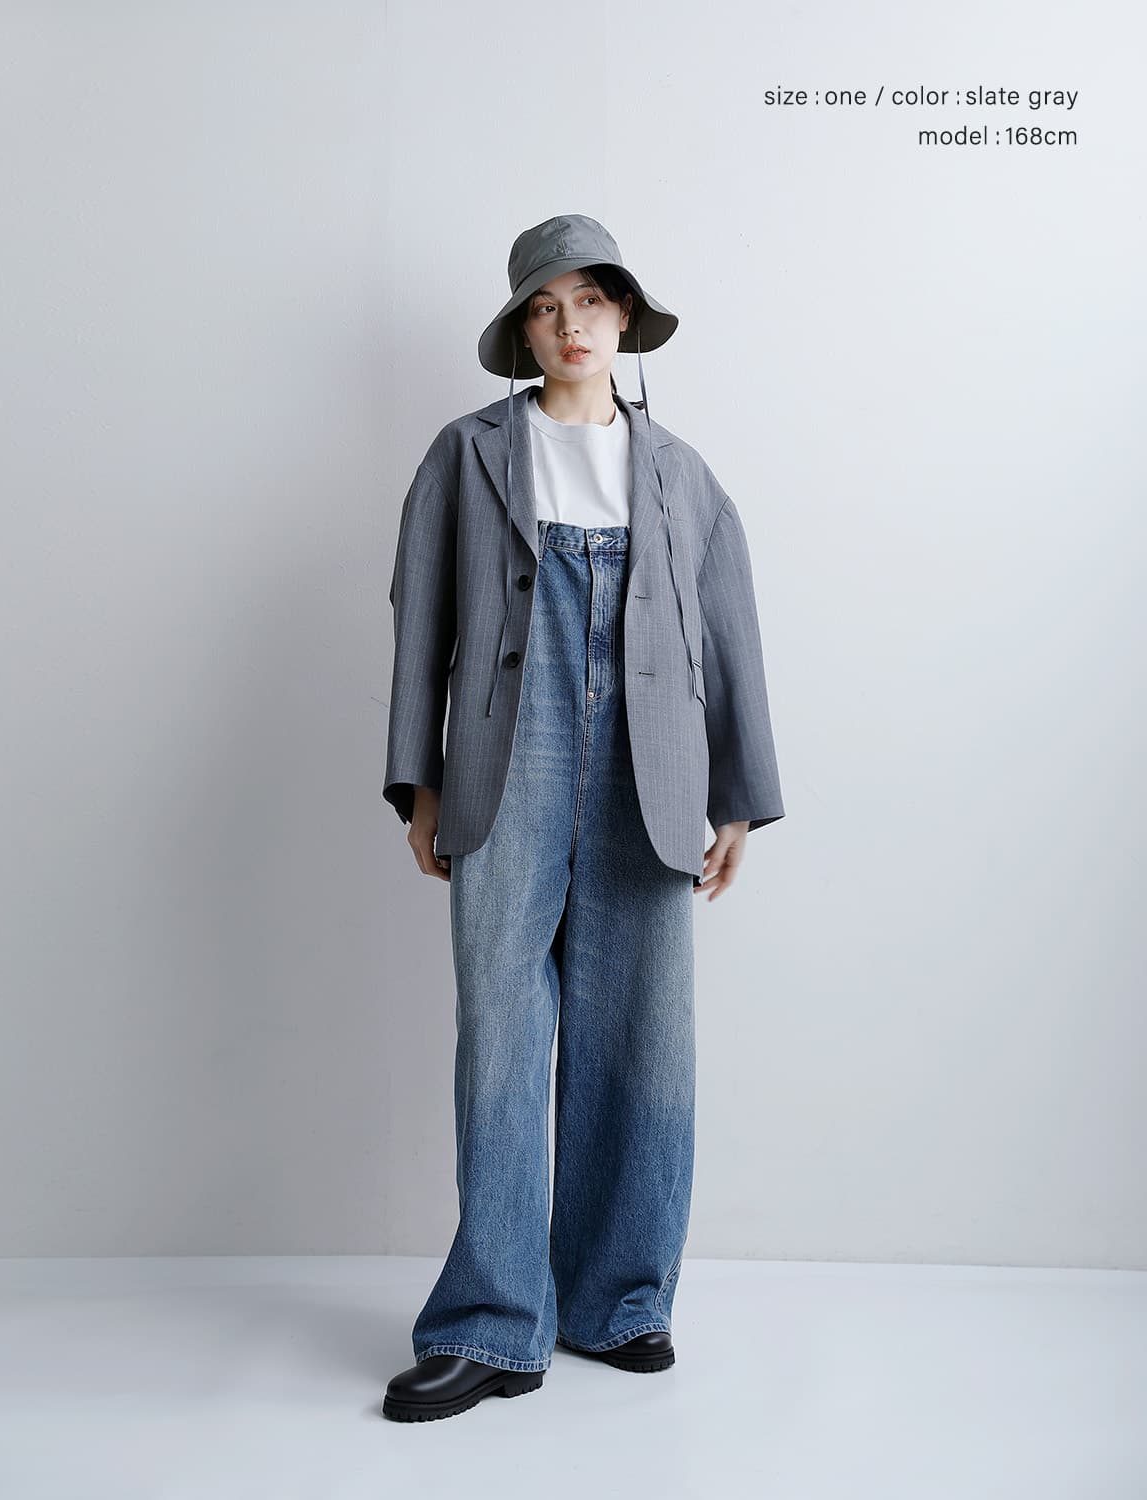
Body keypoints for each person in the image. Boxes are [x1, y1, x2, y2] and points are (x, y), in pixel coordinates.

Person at [381, 214, 785, 1422]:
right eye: (547, 307)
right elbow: (421, 619)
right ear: (523, 330)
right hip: (509, 750)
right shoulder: (466, 455)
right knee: (502, 1039)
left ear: (625, 318)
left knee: (642, 1038)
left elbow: (731, 631)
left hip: (651, 764)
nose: (572, 326)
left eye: (591, 302)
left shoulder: (682, 474)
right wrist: (418, 780)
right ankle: (492, 1323)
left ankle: (618, 1301)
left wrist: (739, 799)